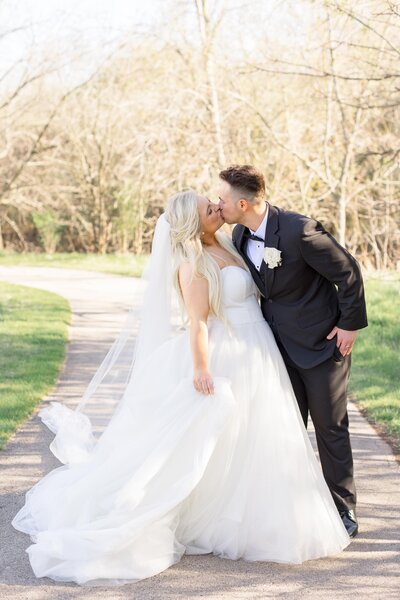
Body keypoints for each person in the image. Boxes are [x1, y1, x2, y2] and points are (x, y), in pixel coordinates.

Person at [12, 191, 351, 587]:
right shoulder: (192, 263)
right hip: (227, 352)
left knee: (258, 434)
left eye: (215, 202)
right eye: (209, 209)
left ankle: (260, 509)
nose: (217, 208)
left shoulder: (230, 242)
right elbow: (198, 322)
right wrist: (202, 368)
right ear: (194, 222)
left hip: (259, 348)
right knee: (221, 437)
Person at [218, 164, 368, 539]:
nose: (217, 204)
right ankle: (294, 509)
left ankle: (342, 509)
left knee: (330, 428)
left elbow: (348, 273)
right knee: (284, 428)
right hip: (275, 349)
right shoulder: (239, 235)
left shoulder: (300, 230)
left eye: (221, 199)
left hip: (322, 345)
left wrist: (349, 324)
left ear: (242, 202)